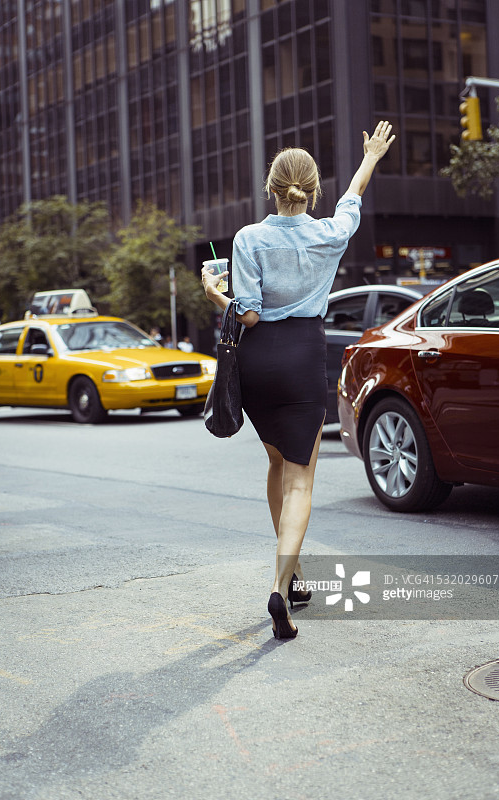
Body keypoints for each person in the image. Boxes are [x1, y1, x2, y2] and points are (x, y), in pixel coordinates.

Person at [202, 120, 396, 639]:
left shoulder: (247, 238)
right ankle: (280, 583)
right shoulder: (329, 234)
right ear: (312, 192)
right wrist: (370, 157)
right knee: (301, 478)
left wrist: (213, 294)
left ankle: (296, 578)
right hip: (304, 357)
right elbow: (352, 200)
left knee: (275, 464)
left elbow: (247, 317)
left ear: (271, 188)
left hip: (260, 361)